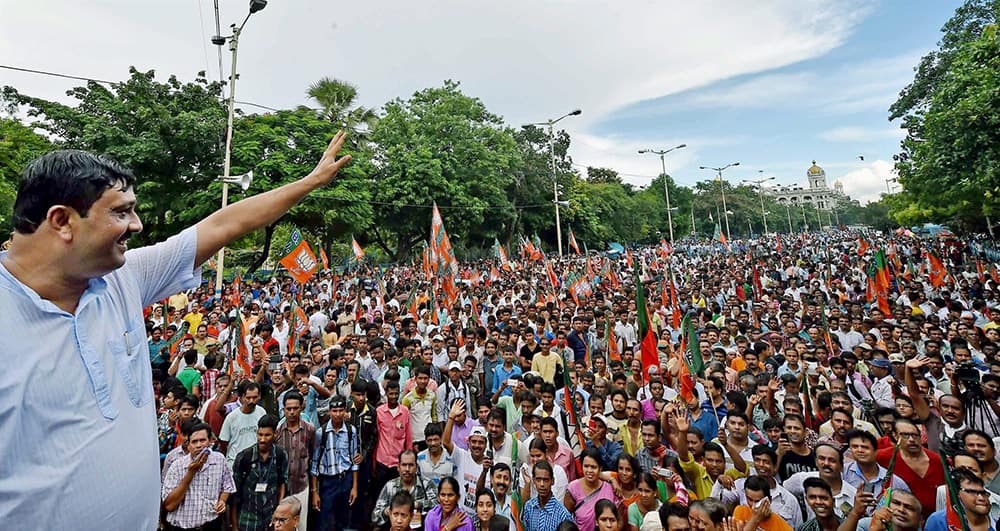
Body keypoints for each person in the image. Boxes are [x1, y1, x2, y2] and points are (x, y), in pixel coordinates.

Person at [2, 137, 348, 528]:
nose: (136, 225)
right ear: (62, 220)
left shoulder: (123, 278)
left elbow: (224, 223)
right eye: (120, 212)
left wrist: (310, 182)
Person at [162, 422, 236, 531]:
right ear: (188, 445)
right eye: (194, 442)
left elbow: (227, 486)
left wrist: (222, 501)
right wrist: (190, 473)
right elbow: (169, 506)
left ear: (210, 441)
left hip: (210, 524)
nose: (199, 445)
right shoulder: (177, 466)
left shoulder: (219, 460)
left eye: (202, 440)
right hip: (181, 527)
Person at [230, 414, 289, 531]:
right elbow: (234, 494)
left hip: (271, 516)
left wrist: (279, 507)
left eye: (267, 435)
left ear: (275, 434)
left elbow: (282, 482)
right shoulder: (244, 457)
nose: (262, 439)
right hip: (248, 517)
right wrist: (234, 526)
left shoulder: (280, 455)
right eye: (260, 435)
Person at [311, 396, 360, 531]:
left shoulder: (351, 431)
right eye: (334, 411)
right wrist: (314, 492)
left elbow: (354, 461)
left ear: (345, 411)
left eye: (340, 410)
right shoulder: (321, 433)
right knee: (324, 521)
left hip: (346, 479)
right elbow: (314, 464)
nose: (338, 414)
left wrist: (354, 487)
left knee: (344, 520)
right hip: (328, 482)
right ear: (329, 412)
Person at [274, 391, 316, 531]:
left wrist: (314, 490)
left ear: (301, 407)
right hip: (281, 487)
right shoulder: (278, 431)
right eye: (288, 409)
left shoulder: (310, 430)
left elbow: (313, 458)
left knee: (300, 524)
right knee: (280, 524)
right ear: (283, 409)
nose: (292, 412)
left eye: (295, 408)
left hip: (302, 485)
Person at [373, 449, 438, 529]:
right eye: (404, 465)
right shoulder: (390, 486)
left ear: (416, 467)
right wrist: (389, 511)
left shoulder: (426, 484)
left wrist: (417, 505)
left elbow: (438, 506)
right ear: (398, 467)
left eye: (411, 465)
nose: (407, 469)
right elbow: (375, 517)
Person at [565, 448, 618, 531]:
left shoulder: (610, 489)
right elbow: (566, 519)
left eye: (593, 467)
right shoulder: (573, 488)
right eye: (586, 466)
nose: (589, 471)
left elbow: (618, 519)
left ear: (600, 468)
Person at [924, 469, 994, 531]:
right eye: (972, 492)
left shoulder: (995, 521)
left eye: (983, 493)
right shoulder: (939, 521)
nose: (981, 498)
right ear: (957, 494)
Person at [219, 380, 267, 468]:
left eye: (254, 397)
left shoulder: (262, 412)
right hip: (235, 463)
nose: (251, 401)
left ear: (259, 396)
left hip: (256, 463)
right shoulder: (231, 417)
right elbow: (223, 443)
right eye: (248, 398)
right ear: (242, 397)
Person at [521, 461, 573, 531]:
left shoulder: (563, 515)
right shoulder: (529, 507)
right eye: (538, 480)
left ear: (552, 481)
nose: (542, 484)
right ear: (533, 481)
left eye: (546, 480)